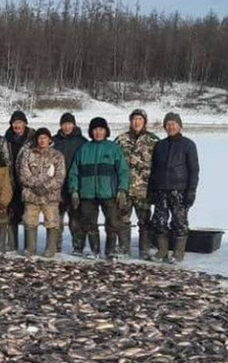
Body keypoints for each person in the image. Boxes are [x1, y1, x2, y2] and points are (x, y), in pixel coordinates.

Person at [67, 116, 128, 259]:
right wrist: (74, 190)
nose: (98, 132)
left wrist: (122, 189)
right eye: (95, 130)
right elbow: (74, 171)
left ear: (106, 131)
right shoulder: (84, 149)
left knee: (112, 222)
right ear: (91, 132)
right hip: (87, 194)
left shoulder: (113, 148)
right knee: (89, 223)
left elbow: (123, 171)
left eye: (101, 129)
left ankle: (110, 251)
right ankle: (95, 250)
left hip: (109, 193)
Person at [149, 112, 200, 263]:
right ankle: (162, 250)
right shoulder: (160, 145)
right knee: (159, 221)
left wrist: (191, 190)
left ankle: (178, 252)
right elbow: (154, 169)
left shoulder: (188, 144)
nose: (171, 127)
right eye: (168, 124)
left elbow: (194, 169)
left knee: (179, 222)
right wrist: (152, 190)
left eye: (174, 124)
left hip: (180, 189)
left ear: (180, 126)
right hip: (161, 189)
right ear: (165, 127)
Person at [115, 108, 161, 259]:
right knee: (122, 220)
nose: (137, 122)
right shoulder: (121, 140)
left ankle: (145, 250)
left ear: (145, 122)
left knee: (145, 222)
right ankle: (124, 249)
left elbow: (160, 166)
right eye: (134, 119)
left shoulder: (153, 141)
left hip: (144, 190)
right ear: (130, 121)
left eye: (140, 119)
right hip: (124, 189)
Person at [17, 126, 66, 258]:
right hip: (31, 195)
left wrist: (45, 187)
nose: (42, 140)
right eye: (40, 138)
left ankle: (50, 249)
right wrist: (35, 186)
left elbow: (59, 177)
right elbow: (23, 174)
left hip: (50, 196)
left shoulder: (57, 156)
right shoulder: (28, 154)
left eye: (45, 138)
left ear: (49, 139)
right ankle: (30, 248)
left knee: (52, 221)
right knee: (29, 221)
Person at [52, 112, 87, 256]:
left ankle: (78, 246)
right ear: (61, 125)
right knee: (56, 219)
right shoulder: (54, 141)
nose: (67, 127)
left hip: (75, 186)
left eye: (69, 124)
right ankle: (56, 245)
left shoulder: (82, 142)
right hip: (57, 186)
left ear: (74, 124)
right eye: (64, 124)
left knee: (76, 219)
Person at [3, 110, 34, 252]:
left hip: (28, 183)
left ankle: (29, 246)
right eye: (14, 123)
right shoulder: (5, 140)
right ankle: (12, 244)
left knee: (29, 216)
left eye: (20, 122)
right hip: (11, 181)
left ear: (25, 123)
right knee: (12, 214)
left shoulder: (33, 138)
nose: (17, 125)